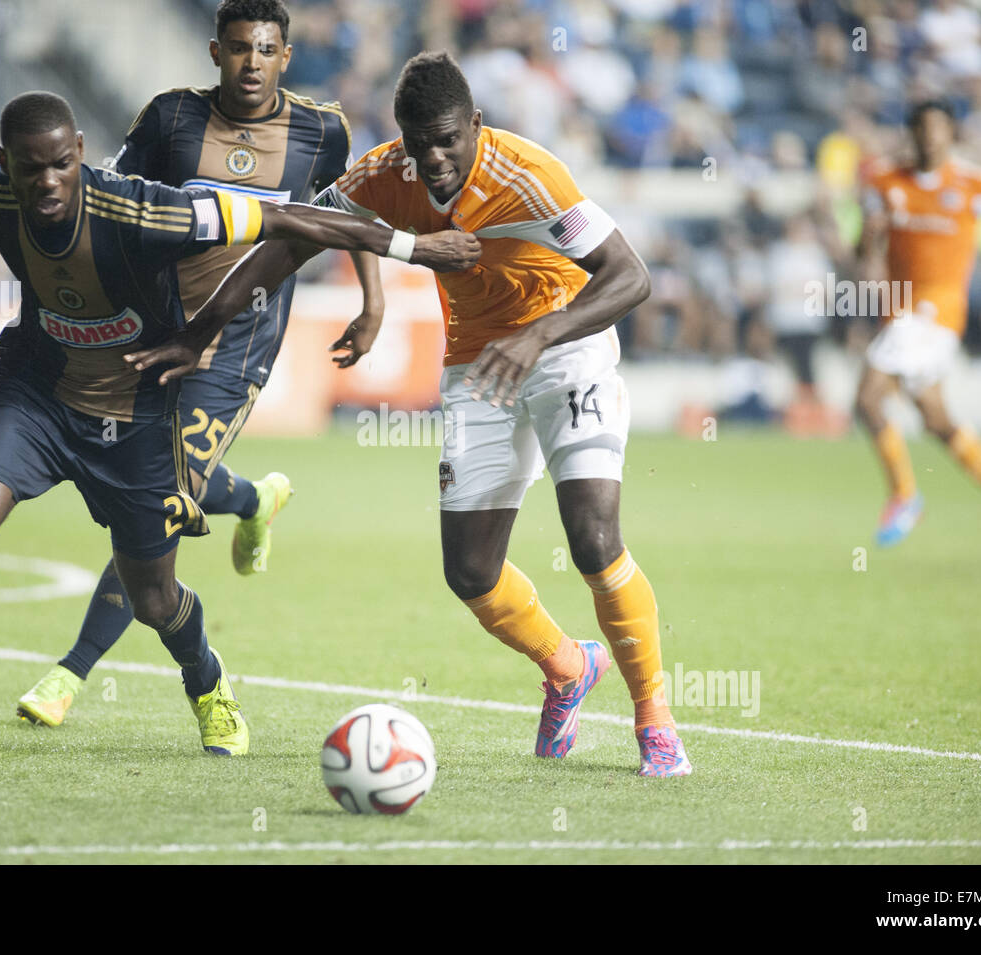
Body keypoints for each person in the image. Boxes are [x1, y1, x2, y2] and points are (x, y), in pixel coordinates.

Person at [0, 90, 479, 756]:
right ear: (6, 163)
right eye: (32, 169)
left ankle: (206, 680)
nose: (48, 180)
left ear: (80, 151)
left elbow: (293, 218)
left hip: (136, 418)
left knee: (154, 599)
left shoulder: (145, 210)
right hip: (34, 399)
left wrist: (415, 246)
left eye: (61, 163)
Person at [129, 53, 691, 777]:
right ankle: (566, 666)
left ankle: (655, 718)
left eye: (448, 140)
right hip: (476, 367)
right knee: (471, 573)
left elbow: (630, 276)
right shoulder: (384, 176)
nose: (434, 158)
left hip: (564, 349)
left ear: (476, 127)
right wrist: (202, 329)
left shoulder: (531, 175)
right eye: (419, 142)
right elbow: (291, 240)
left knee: (592, 536)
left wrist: (537, 335)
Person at [15, 0, 386, 728]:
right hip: (155, 325)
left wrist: (371, 303)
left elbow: (356, 212)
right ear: (216, 52)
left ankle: (70, 673)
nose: (253, 62)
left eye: (267, 50)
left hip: (238, 341)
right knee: (143, 481)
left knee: (153, 502)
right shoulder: (169, 120)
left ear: (286, 56)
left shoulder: (322, 131)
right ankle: (252, 499)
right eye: (240, 48)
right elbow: (108, 203)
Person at [856, 98, 981, 547]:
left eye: (938, 129)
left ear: (951, 134)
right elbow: (864, 252)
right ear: (911, 132)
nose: (929, 137)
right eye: (921, 128)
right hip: (900, 314)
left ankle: (904, 496)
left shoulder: (975, 183)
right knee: (935, 418)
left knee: (868, 397)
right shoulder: (884, 181)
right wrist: (870, 236)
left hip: (937, 314)